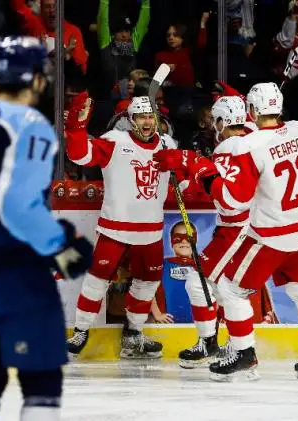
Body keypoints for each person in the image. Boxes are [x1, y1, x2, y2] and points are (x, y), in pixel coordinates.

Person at [0, 36, 93, 421]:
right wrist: (58, 244)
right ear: (38, 78)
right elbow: (18, 205)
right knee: (41, 382)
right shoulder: (30, 124)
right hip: (13, 271)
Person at [157, 82, 298, 382]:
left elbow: (231, 202)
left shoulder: (248, 146)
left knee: (231, 289)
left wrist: (202, 171)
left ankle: (243, 354)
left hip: (272, 233)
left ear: (253, 111)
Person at [64, 94, 182, 359]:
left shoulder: (167, 143)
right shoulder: (114, 142)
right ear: (130, 120)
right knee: (96, 280)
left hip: (151, 230)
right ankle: (82, 330)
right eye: (141, 116)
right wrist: (76, 128)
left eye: (151, 116)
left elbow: (183, 182)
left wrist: (183, 167)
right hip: (114, 229)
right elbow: (80, 156)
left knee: (148, 283)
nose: (147, 121)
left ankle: (134, 334)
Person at [155, 96, 256, 368]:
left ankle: (235, 349)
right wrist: (188, 168)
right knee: (214, 287)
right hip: (242, 228)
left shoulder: (230, 147)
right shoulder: (251, 140)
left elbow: (228, 199)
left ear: (223, 121)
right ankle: (221, 344)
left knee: (210, 285)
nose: (214, 126)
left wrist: (190, 162)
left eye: (216, 120)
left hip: (239, 229)